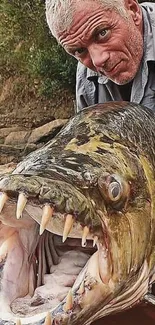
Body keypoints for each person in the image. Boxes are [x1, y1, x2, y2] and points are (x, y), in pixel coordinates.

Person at [45, 0, 155, 112]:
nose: (97, 60)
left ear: (132, 10)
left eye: (102, 33)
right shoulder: (86, 78)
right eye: (80, 50)